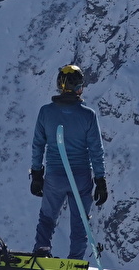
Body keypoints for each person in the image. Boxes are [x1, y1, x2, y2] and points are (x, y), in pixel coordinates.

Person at [29, 64, 107, 259]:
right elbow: (96, 150)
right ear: (79, 87)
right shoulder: (88, 115)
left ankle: (42, 251)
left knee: (47, 217)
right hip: (81, 177)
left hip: (55, 176)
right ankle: (74, 262)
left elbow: (38, 145)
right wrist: (100, 180)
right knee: (80, 222)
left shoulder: (46, 113)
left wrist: (37, 174)